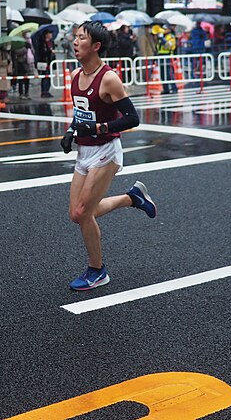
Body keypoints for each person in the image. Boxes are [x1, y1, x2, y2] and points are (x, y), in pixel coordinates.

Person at [60, 20, 156, 291]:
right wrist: (71, 132)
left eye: (82, 38)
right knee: (76, 215)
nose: (75, 42)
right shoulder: (76, 77)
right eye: (75, 37)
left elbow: (132, 118)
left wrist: (99, 127)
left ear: (96, 46)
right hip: (84, 152)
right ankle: (132, 198)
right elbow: (80, 114)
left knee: (83, 211)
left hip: (106, 151)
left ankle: (97, 270)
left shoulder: (109, 78)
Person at [13, 31, 35, 99]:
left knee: (27, 79)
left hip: (29, 62)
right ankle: (21, 93)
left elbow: (33, 51)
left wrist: (30, 48)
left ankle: (27, 93)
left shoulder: (30, 42)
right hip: (21, 62)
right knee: (21, 78)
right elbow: (16, 52)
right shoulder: (19, 42)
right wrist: (25, 49)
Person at [35, 29, 55, 97]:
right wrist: (49, 51)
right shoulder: (41, 43)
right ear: (46, 35)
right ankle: (44, 91)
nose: (51, 35)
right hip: (44, 62)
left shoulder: (51, 42)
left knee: (49, 77)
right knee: (45, 77)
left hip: (50, 62)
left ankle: (47, 91)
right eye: (50, 33)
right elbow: (41, 53)